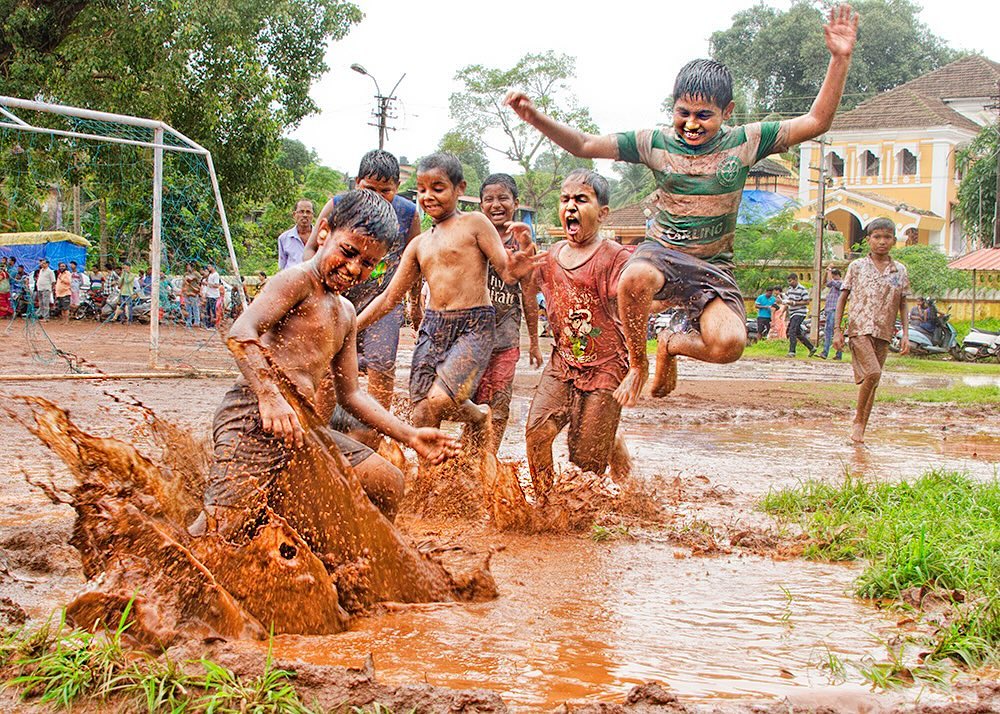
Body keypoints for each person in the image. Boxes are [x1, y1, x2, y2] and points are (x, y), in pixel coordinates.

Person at [504, 5, 858, 405]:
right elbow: (585, 145)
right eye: (683, 113)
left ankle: (670, 344)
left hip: (712, 266)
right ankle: (639, 364)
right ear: (672, 109)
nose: (691, 124)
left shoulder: (746, 141)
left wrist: (839, 59)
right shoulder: (654, 143)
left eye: (704, 115)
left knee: (730, 345)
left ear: (727, 113)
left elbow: (816, 122)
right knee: (633, 279)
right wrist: (535, 118)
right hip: (662, 254)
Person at [195, 190, 460, 541]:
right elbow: (241, 331)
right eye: (348, 252)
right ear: (324, 233)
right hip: (253, 417)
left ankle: (363, 567)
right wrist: (270, 396)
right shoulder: (297, 281)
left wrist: (409, 434)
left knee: (387, 481)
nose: (354, 268)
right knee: (220, 530)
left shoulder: (346, 313)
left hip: (303, 428)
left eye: (368, 263)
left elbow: (351, 395)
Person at [357, 153, 535, 432]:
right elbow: (389, 297)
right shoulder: (418, 245)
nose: (428, 196)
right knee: (421, 413)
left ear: (459, 189)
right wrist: (352, 326)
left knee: (440, 399)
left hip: (474, 325)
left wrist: (521, 261)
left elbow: (507, 271)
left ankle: (478, 416)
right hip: (434, 326)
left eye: (438, 188)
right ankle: (434, 473)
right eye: (422, 190)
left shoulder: (475, 223)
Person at [524, 170, 630, 501]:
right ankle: (545, 501)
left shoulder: (616, 258)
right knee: (536, 435)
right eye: (565, 199)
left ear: (602, 213)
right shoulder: (550, 256)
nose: (571, 207)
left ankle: (622, 484)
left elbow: (639, 300)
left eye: (581, 200)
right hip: (563, 362)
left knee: (584, 465)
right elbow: (527, 289)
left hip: (606, 367)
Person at [303, 150, 422, 411]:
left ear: (397, 188)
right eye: (369, 189)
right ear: (357, 183)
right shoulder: (338, 205)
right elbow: (311, 250)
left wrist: (415, 303)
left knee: (381, 364)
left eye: (385, 191)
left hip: (383, 304)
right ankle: (323, 431)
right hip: (338, 299)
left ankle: (375, 437)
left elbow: (414, 263)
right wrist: (316, 292)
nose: (376, 197)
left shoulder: (408, 214)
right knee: (329, 366)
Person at [473, 173, 543, 453]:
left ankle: (488, 457)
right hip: (471, 337)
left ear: (516, 202)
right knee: (470, 401)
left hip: (505, 339)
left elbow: (528, 295)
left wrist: (535, 343)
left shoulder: (523, 244)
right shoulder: (473, 234)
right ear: (480, 205)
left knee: (499, 402)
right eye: (489, 199)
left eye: (503, 198)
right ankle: (468, 457)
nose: (496, 204)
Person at [833, 218, 910, 444]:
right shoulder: (856, 267)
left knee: (873, 382)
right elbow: (842, 297)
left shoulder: (900, 271)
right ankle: (857, 421)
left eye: (887, 237)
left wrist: (905, 333)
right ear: (868, 240)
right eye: (877, 237)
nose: (882, 242)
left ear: (894, 241)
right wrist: (837, 330)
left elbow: (903, 303)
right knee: (874, 373)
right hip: (859, 329)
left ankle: (861, 431)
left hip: (884, 332)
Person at [784, 273, 816, 357]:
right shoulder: (790, 290)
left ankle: (792, 351)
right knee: (797, 332)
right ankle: (811, 347)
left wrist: (795, 303)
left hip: (800, 312)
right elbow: (787, 298)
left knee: (792, 330)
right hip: (792, 312)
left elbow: (807, 301)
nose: (790, 283)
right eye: (789, 281)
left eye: (791, 281)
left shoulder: (802, 289)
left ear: (795, 279)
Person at [277, 199, 314, 270]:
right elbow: (282, 266)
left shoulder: (321, 237)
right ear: (294, 215)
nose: (305, 215)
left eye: (308, 212)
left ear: (312, 216)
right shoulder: (284, 238)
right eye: (301, 212)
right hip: (292, 279)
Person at [819, 266, 844, 360]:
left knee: (830, 332)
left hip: (835, 310)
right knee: (831, 332)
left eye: (832, 275)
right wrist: (826, 272)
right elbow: (825, 283)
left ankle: (825, 352)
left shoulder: (841, 283)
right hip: (830, 310)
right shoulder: (834, 284)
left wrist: (829, 270)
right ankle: (838, 355)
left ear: (836, 275)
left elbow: (829, 282)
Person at [182, 263, 201, 328]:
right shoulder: (185, 274)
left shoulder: (196, 274)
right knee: (188, 309)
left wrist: (193, 279)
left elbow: (199, 282)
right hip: (187, 293)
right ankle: (188, 322)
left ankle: (197, 322)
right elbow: (184, 283)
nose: (188, 268)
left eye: (189, 266)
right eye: (187, 266)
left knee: (195, 308)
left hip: (194, 293)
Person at [205, 264, 221, 329]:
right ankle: (208, 325)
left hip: (213, 295)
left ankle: (214, 325)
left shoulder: (216, 275)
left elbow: (217, 285)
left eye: (209, 266)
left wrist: (208, 284)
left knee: (213, 310)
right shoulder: (210, 275)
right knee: (208, 310)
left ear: (213, 267)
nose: (208, 268)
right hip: (209, 295)